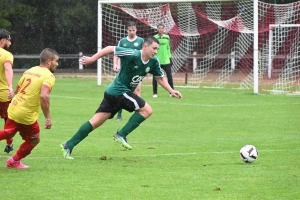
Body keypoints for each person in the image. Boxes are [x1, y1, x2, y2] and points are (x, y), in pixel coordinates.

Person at [60, 36, 183, 160]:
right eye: (154, 48)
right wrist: (92, 59)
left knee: (95, 122)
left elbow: (160, 78)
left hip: (114, 93)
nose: (156, 51)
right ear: (145, 46)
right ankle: (121, 134)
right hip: (118, 91)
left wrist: (171, 90)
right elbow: (110, 49)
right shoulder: (132, 54)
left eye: (157, 49)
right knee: (147, 110)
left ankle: (68, 145)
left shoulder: (154, 61)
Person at [0, 48, 59, 168]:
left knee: (9, 133)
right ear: (48, 61)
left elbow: (18, 88)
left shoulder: (30, 70)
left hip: (14, 107)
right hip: (26, 113)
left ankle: (13, 161)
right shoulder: (49, 76)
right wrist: (48, 118)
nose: (57, 64)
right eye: (56, 61)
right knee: (34, 140)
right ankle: (13, 161)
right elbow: (44, 96)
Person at [113, 21, 144, 121]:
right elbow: (116, 53)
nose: (132, 32)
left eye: (133, 30)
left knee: (137, 91)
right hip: (125, 72)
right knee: (122, 91)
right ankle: (119, 114)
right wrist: (115, 64)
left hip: (137, 71)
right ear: (127, 30)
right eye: (130, 30)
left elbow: (145, 53)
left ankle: (138, 112)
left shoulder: (141, 41)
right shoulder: (122, 42)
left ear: (136, 30)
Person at [0, 29, 15, 154]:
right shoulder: (6, 55)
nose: (10, 43)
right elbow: (8, 69)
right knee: (8, 121)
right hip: (3, 94)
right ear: (2, 41)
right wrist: (10, 87)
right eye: (9, 40)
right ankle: (9, 145)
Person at [152, 23, 174, 98]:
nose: (160, 29)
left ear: (163, 29)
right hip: (157, 60)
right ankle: (155, 93)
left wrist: (170, 58)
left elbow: (168, 48)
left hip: (166, 60)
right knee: (155, 77)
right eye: (159, 28)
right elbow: (153, 48)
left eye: (162, 28)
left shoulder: (167, 37)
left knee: (169, 76)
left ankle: (171, 92)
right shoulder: (154, 37)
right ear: (157, 29)